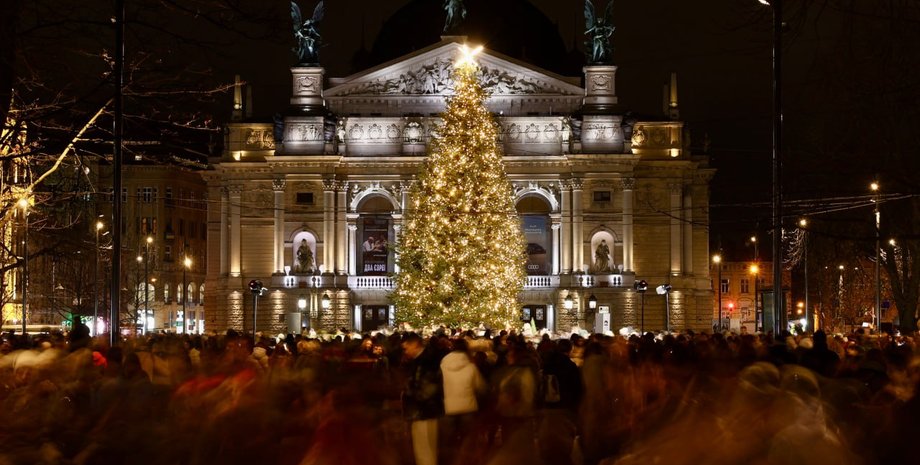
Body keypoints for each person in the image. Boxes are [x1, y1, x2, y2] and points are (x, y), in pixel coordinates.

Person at [401, 333, 445, 465]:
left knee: (424, 451)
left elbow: (426, 389)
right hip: (426, 411)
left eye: (406, 348)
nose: (405, 352)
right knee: (427, 450)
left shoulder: (425, 362)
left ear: (414, 345)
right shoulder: (425, 360)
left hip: (423, 412)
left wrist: (408, 392)